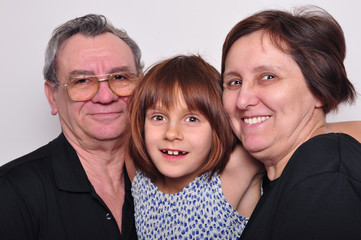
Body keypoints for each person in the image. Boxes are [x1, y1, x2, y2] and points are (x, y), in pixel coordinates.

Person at [221, 6, 361, 240]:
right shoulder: (291, 175)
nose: (243, 100)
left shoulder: (326, 177)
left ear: (319, 90)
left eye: (268, 77)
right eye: (234, 82)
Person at [0, 14, 142, 239]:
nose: (105, 97)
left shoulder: (167, 178)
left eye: (120, 77)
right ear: (53, 96)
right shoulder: (10, 192)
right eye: (82, 81)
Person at [127, 55, 263, 239]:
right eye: (158, 117)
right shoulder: (140, 181)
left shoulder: (233, 172)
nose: (172, 133)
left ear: (218, 125)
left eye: (192, 119)